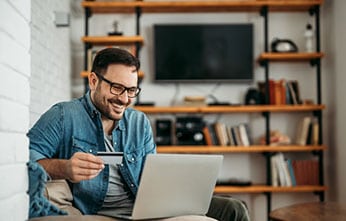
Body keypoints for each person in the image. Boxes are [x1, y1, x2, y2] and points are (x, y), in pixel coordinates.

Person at [28, 47, 249, 221]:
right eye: (116, 88)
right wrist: (64, 168)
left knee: (234, 209)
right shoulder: (64, 115)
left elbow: (153, 173)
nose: (124, 99)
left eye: (131, 90)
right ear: (93, 81)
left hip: (146, 207)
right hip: (99, 210)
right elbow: (25, 159)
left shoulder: (139, 122)